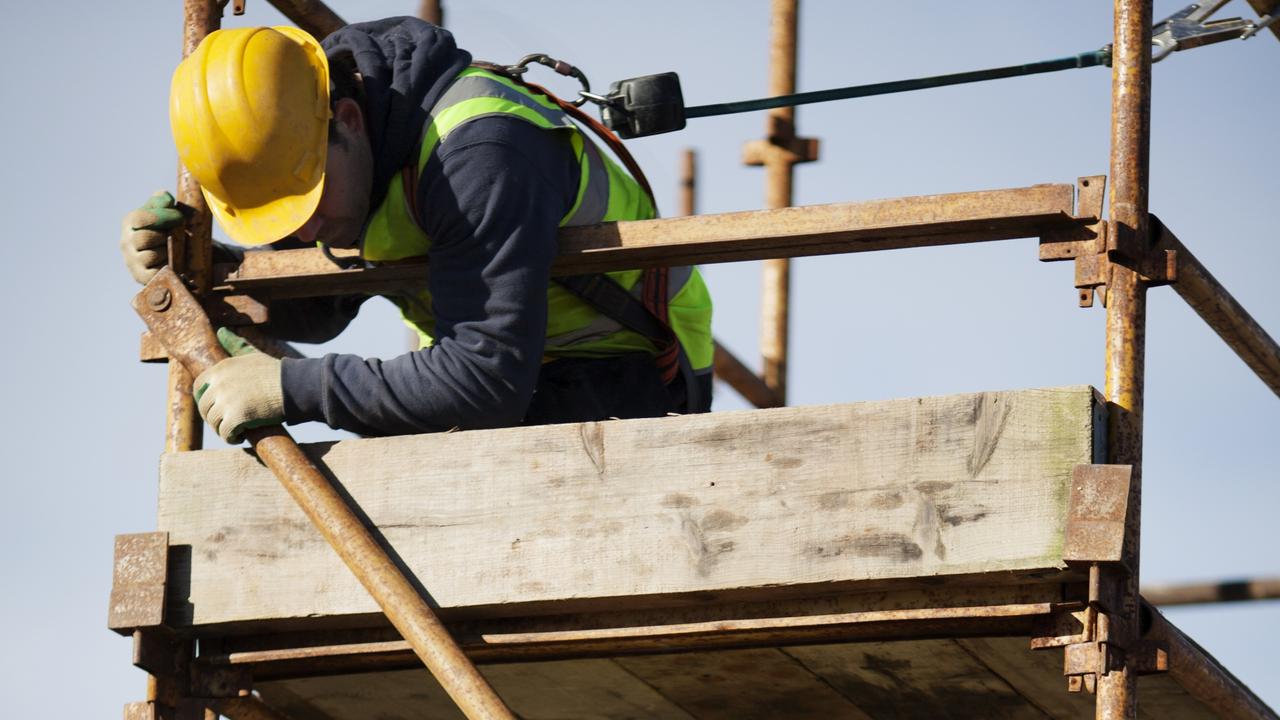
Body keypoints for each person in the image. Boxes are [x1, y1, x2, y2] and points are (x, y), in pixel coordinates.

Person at [120, 17, 713, 442]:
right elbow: (321, 305)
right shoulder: (357, 153)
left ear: (348, 120)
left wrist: (296, 388)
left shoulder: (480, 151)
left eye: (306, 197)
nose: (305, 233)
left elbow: (485, 379)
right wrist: (201, 269)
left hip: (627, 374)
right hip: (522, 377)